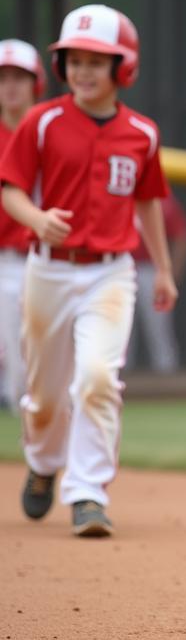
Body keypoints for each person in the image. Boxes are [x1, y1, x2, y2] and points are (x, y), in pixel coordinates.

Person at [0, 5, 177, 537]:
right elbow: (9, 190)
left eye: (96, 61)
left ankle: (87, 494)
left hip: (110, 273)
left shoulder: (142, 133)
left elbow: (148, 204)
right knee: (44, 393)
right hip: (48, 272)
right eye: (74, 60)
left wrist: (163, 271)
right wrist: (36, 218)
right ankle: (43, 459)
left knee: (98, 377)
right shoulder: (43, 121)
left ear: (124, 68)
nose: (82, 71)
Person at [0, 39, 46, 411]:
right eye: (3, 78)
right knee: (17, 368)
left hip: (53, 258)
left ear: (36, 82)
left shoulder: (53, 128)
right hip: (6, 263)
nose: (11, 85)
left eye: (19, 76)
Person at [126, 190, 186, 373]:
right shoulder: (117, 193)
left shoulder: (164, 200)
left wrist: (170, 273)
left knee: (159, 331)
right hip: (120, 267)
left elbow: (182, 236)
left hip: (151, 270)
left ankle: (168, 385)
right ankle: (121, 386)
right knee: (121, 336)